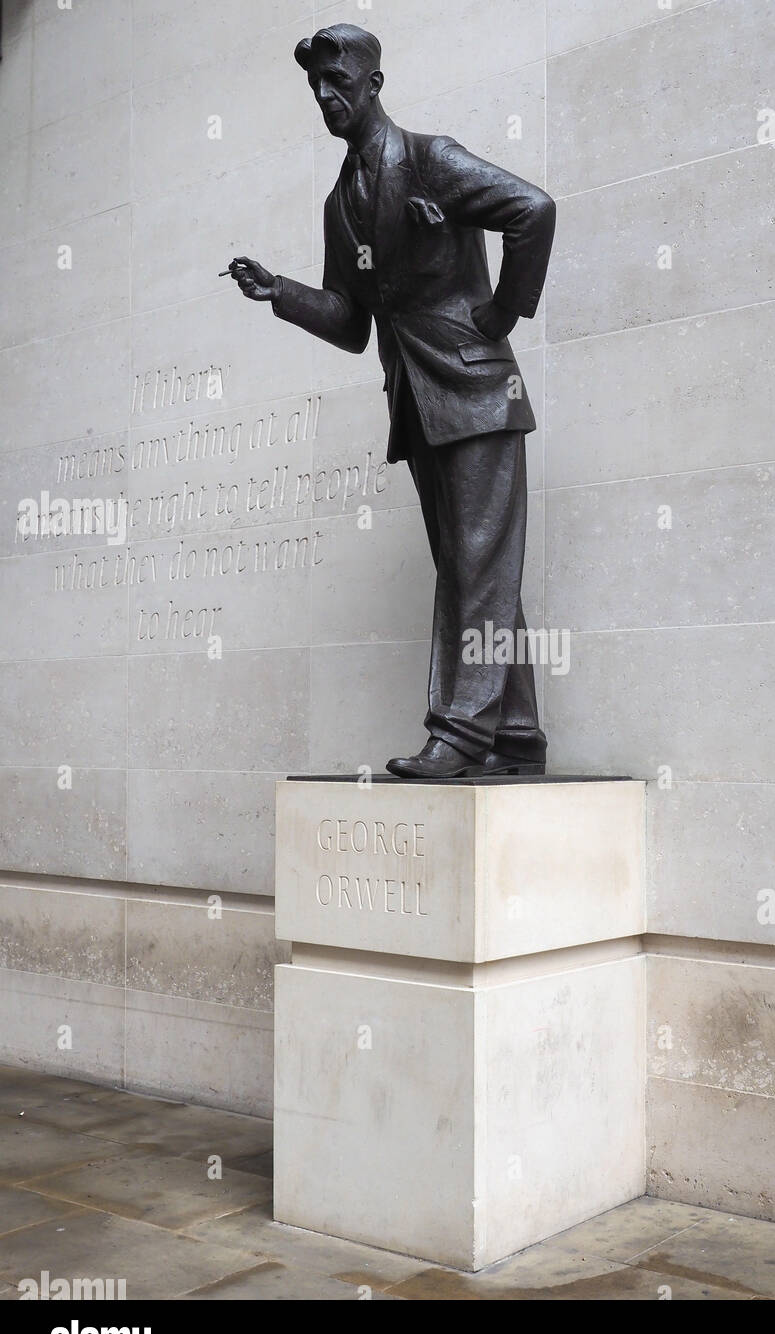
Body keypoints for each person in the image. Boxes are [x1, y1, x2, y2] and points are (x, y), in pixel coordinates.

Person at [227, 23, 555, 779]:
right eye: (316, 87)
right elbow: (349, 322)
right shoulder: (340, 204)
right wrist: (281, 293)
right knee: (476, 567)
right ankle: (517, 734)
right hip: (418, 403)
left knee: (474, 565)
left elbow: (533, 211)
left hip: (478, 391)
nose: (326, 97)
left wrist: (504, 313)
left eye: (338, 83)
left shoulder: (433, 160)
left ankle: (460, 732)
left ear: (375, 84)